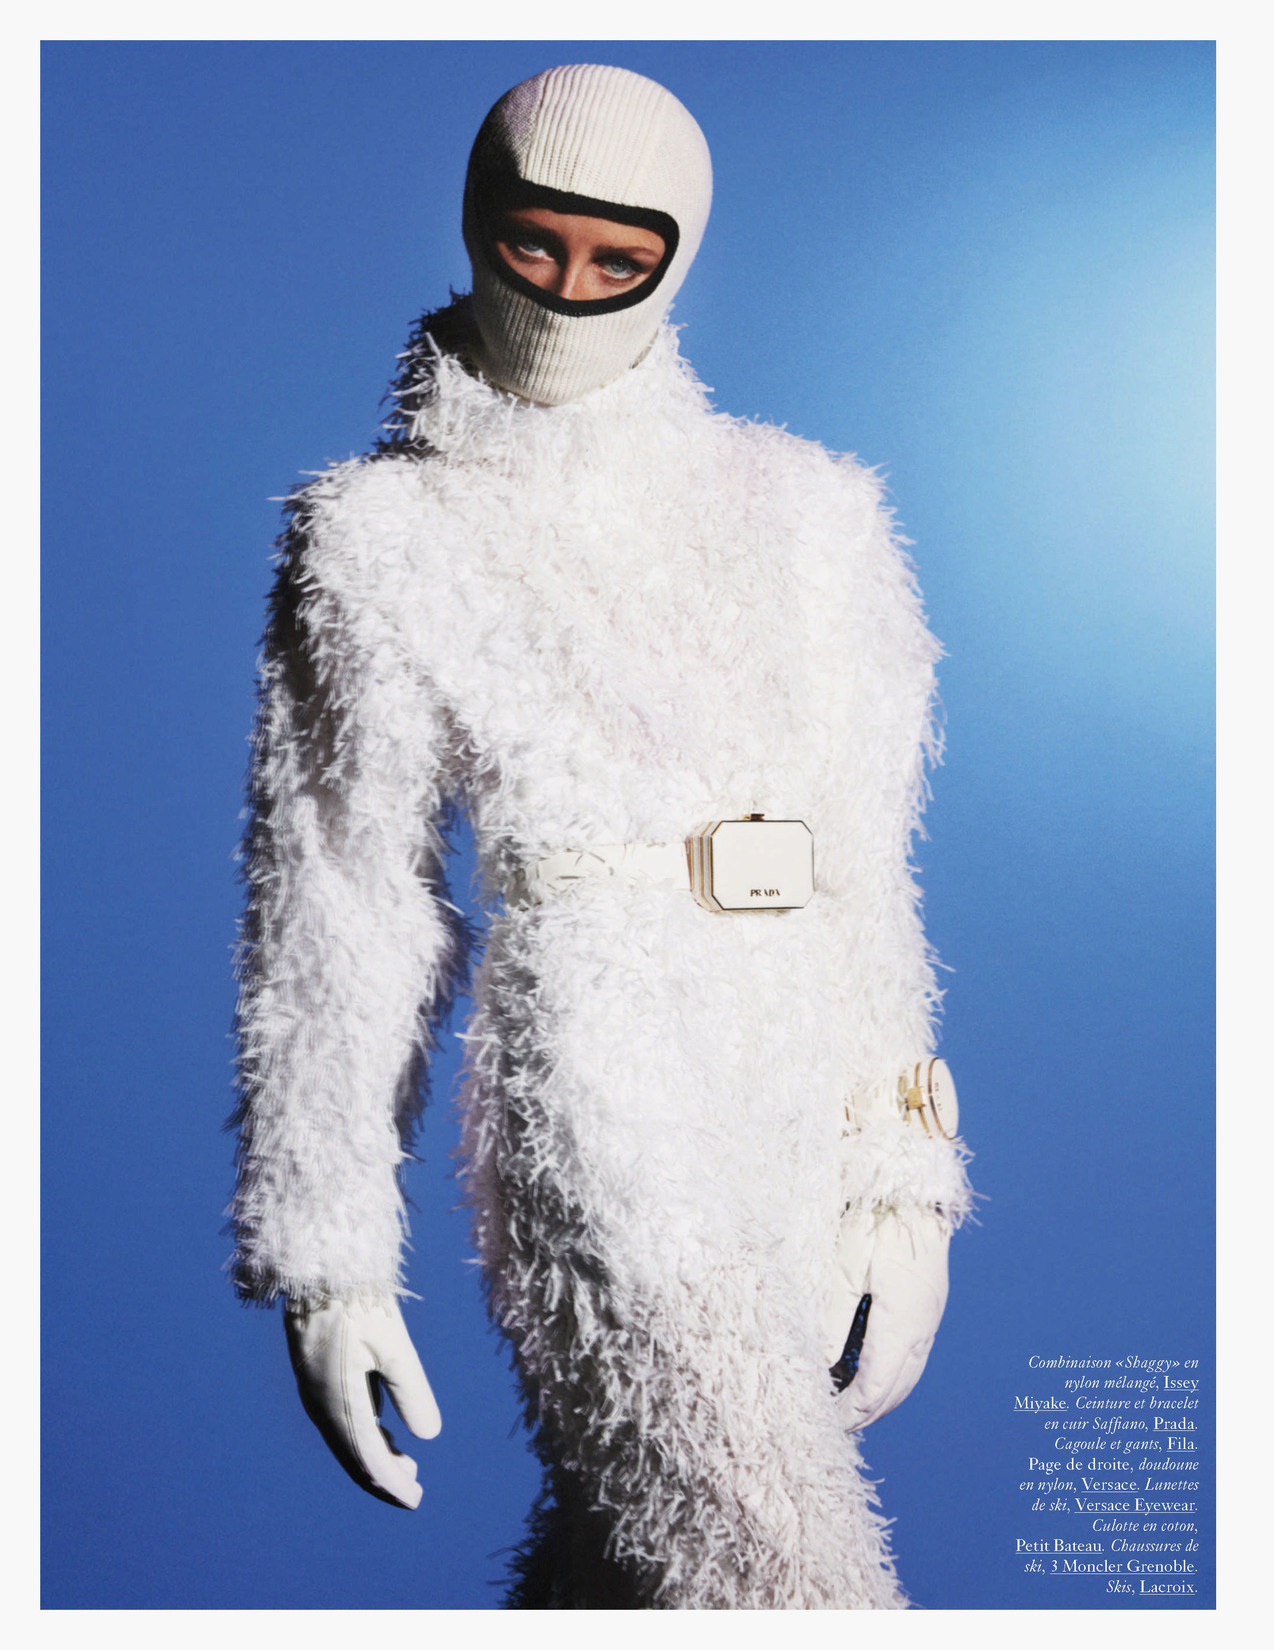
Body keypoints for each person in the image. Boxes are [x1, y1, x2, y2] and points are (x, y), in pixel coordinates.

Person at [229, 62, 973, 1610]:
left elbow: (862, 872)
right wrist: (329, 1251)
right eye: (532, 242)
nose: (567, 290)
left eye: (619, 257)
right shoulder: (372, 531)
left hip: (797, 1085)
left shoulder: (815, 513)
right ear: (475, 226)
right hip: (593, 1069)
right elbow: (339, 903)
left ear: (675, 259)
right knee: (780, 1575)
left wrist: (903, 1174)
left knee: (625, 1577)